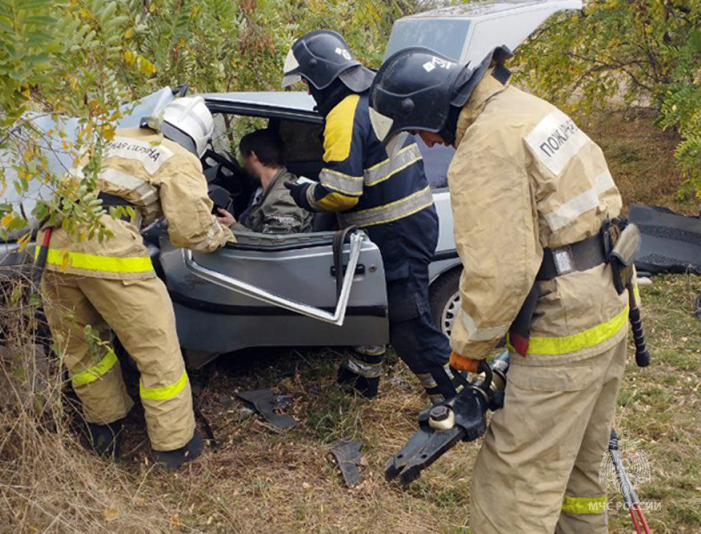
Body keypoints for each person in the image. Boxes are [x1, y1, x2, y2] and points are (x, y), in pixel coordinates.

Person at [370, 46, 632, 533]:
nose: (427, 143)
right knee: (578, 469)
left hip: (564, 327)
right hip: (609, 302)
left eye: (420, 129)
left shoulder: (485, 148)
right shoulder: (531, 111)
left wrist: (467, 351)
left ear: (431, 109)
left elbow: (501, 275)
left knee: (512, 484)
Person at [37, 96, 233, 470]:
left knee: (85, 352)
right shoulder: (177, 156)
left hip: (56, 248)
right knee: (157, 351)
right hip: (109, 249)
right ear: (197, 139)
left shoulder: (111, 137)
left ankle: (104, 432)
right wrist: (221, 235)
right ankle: (176, 447)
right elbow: (192, 231)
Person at [281, 30, 456, 402]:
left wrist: (303, 194)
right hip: (409, 224)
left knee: (408, 323)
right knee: (374, 305)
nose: (309, 93)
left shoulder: (343, 115)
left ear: (321, 78)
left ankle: (451, 395)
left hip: (394, 232)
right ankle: (361, 380)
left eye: (308, 84)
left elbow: (342, 191)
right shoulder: (372, 98)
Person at [215, 129, 312, 233]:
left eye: (244, 159)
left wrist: (233, 227)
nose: (244, 165)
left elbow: (276, 245)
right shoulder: (275, 186)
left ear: (253, 156)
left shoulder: (281, 198)